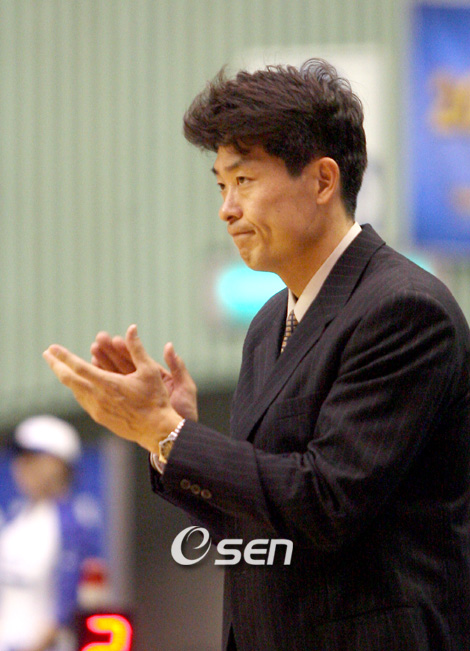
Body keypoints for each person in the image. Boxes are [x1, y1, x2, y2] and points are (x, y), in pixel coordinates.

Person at [43, 60, 470, 650]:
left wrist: (168, 434)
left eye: (243, 180)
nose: (226, 208)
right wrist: (174, 435)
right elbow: (259, 519)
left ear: (322, 181)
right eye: (221, 186)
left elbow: (323, 504)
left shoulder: (404, 309)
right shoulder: (270, 322)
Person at [0, 416, 101, 651]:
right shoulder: (15, 518)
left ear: (57, 464)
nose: (20, 466)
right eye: (19, 458)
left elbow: (74, 600)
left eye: (31, 458)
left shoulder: (73, 522)